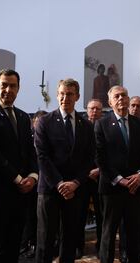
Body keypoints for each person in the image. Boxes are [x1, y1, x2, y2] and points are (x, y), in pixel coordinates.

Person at [0, 69, 38, 263]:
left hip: (21, 194)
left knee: (13, 245)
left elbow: (30, 151)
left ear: (18, 89)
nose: (8, 89)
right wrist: (19, 179)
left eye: (13, 86)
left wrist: (33, 176)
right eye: (4, 85)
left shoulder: (22, 116)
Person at [34, 78, 95, 263]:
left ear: (77, 96)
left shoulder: (86, 125)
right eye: (61, 93)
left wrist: (75, 183)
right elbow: (42, 156)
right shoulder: (45, 121)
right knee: (45, 239)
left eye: (69, 94)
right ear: (57, 95)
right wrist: (60, 183)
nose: (65, 97)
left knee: (70, 239)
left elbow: (89, 158)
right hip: (50, 190)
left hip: (75, 191)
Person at [95, 85, 140, 263]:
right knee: (108, 234)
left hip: (135, 188)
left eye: (124, 95)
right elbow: (100, 157)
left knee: (134, 234)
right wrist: (119, 179)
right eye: (117, 96)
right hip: (112, 188)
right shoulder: (101, 124)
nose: (121, 99)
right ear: (110, 102)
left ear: (128, 99)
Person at [76, 98, 104, 258]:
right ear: (87, 110)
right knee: (80, 214)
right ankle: (78, 246)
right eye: (92, 108)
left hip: (101, 178)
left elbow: (111, 153)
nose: (94, 111)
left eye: (98, 109)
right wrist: (86, 172)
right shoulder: (79, 126)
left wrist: (99, 170)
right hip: (83, 178)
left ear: (102, 111)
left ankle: (101, 245)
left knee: (102, 214)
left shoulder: (106, 127)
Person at [20, 110, 48, 259]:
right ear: (33, 123)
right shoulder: (27, 139)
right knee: (29, 216)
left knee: (41, 220)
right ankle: (27, 243)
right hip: (30, 183)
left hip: (45, 184)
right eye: (38, 122)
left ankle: (36, 245)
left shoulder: (49, 139)